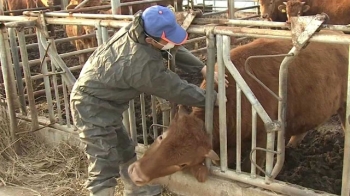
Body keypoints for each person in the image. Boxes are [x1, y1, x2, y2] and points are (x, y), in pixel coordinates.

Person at [70, 5, 227, 196]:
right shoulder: (141, 65)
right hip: (90, 105)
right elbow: (175, 89)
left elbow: (172, 49)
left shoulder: (139, 27)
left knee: (123, 147)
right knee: (103, 160)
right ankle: (101, 191)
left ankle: (136, 189)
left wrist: (201, 68)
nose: (171, 42)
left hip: (106, 100)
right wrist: (213, 99)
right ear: (150, 40)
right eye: (167, 39)